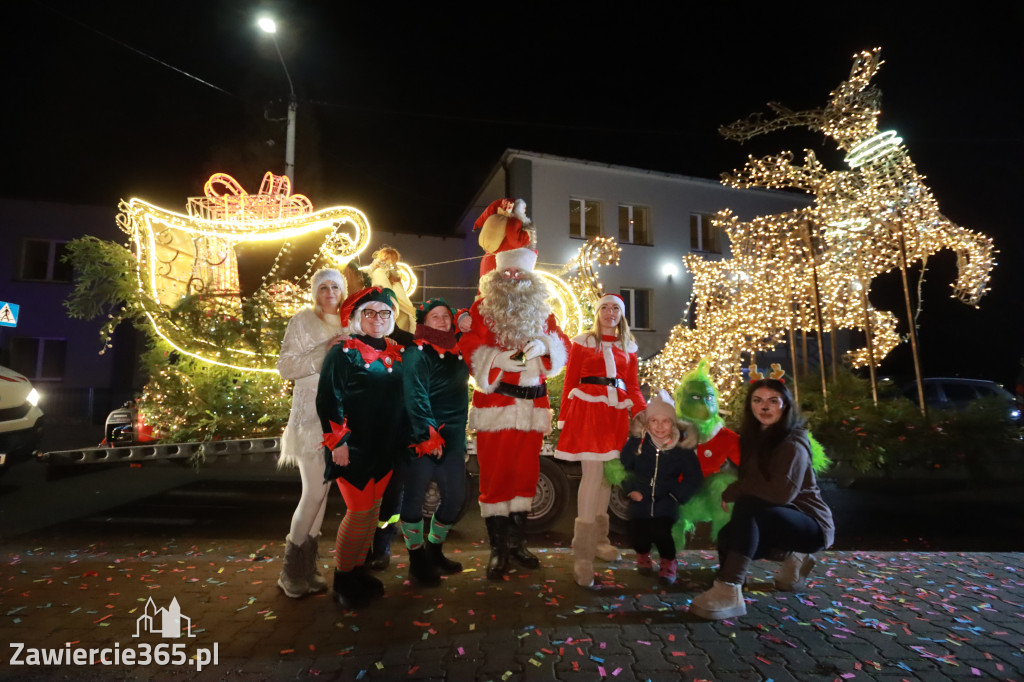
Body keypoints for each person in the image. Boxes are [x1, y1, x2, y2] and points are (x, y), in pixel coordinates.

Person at [458, 243, 571, 580]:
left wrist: (546, 346)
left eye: (518, 272)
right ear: (495, 276)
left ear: (530, 277)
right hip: (496, 406)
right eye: (506, 271)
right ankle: (498, 550)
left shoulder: (543, 312)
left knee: (525, 475)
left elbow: (562, 343)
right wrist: (494, 359)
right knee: (495, 477)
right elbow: (467, 345)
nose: (512, 276)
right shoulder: (480, 311)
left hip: (532, 407)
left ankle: (518, 543)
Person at [690, 377, 835, 620]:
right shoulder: (753, 439)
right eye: (757, 400)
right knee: (728, 534)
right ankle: (786, 560)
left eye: (773, 401)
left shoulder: (792, 443)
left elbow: (781, 493)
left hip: (809, 523)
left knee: (748, 506)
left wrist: (737, 489)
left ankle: (729, 589)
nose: (764, 407)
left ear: (785, 406)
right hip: (774, 517)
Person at [317, 286, 407, 609]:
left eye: (385, 313)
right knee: (358, 514)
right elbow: (329, 399)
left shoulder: (396, 354)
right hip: (352, 448)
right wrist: (338, 442)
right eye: (370, 313)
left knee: (372, 515)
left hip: (385, 447)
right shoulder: (344, 353)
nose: (378, 319)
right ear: (357, 318)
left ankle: (358, 571)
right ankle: (342, 579)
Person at [554, 293, 647, 587]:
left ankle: (599, 541)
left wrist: (643, 412)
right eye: (605, 307)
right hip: (588, 411)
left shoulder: (628, 346)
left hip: (615, 415)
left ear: (622, 314)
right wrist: (564, 417)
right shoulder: (583, 341)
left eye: (615, 308)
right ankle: (582, 554)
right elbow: (570, 381)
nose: (610, 312)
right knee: (592, 474)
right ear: (598, 313)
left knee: (607, 477)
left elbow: (631, 385)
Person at [276, 268, 347, 598]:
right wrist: (324, 351)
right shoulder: (302, 320)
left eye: (335, 286)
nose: (330, 291)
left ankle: (306, 569)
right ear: (314, 291)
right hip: (309, 418)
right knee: (313, 494)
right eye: (323, 287)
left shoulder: (351, 323)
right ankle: (290, 571)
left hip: (339, 422)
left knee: (322, 497)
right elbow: (286, 366)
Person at [399, 299, 470, 586]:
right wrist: (427, 434)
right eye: (434, 316)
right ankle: (416, 562)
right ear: (424, 322)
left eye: (445, 315)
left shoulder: (458, 349)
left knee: (455, 498)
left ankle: (434, 550)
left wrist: (464, 312)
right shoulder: (418, 351)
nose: (441, 320)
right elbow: (415, 394)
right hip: (424, 436)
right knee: (414, 498)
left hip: (453, 436)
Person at [618, 390, 702, 586]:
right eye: (654, 421)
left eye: (665, 421)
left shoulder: (681, 447)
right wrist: (630, 489)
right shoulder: (637, 445)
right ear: (647, 423)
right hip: (640, 499)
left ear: (673, 423)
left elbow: (694, 477)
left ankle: (668, 562)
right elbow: (623, 469)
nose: (659, 426)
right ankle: (643, 555)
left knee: (662, 533)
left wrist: (676, 496)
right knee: (637, 533)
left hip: (666, 500)